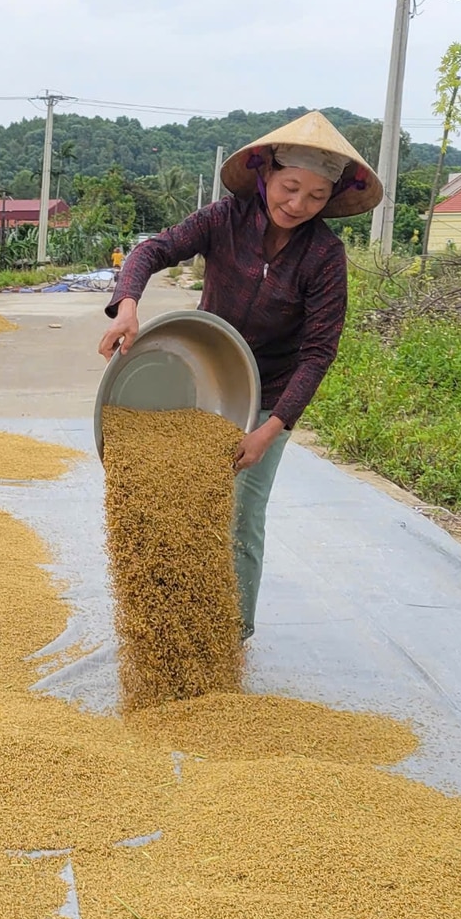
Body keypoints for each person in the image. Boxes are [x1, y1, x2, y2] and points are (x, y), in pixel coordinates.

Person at [98, 112, 383, 638]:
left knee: (241, 515)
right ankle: (166, 622)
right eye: (290, 187)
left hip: (271, 396)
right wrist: (128, 304)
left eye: (317, 196)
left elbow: (318, 353)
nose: (298, 205)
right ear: (266, 174)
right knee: (176, 504)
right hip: (207, 381)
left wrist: (269, 430)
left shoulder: (324, 256)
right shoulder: (224, 218)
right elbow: (152, 249)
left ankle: (230, 635)